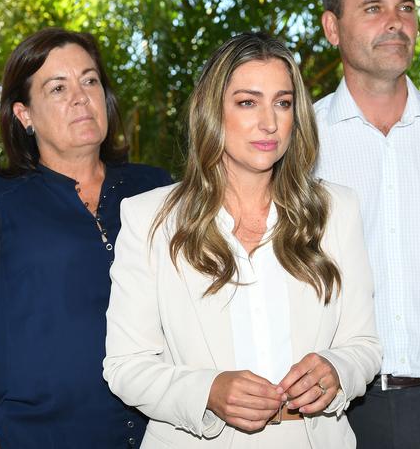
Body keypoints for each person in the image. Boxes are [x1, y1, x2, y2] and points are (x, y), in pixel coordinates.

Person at [103, 32, 381, 448]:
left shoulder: (336, 210)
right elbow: (126, 366)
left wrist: (337, 369)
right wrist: (208, 391)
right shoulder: (150, 218)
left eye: (283, 103)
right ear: (212, 111)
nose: (269, 122)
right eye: (247, 102)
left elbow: (364, 345)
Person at [0, 27, 171, 448]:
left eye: (90, 80)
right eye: (57, 88)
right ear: (24, 115)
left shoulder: (155, 189)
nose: (81, 97)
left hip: (161, 433)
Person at [314, 0, 420, 447]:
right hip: (337, 408)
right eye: (373, 9)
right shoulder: (297, 143)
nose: (395, 22)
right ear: (333, 27)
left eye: (405, 8)